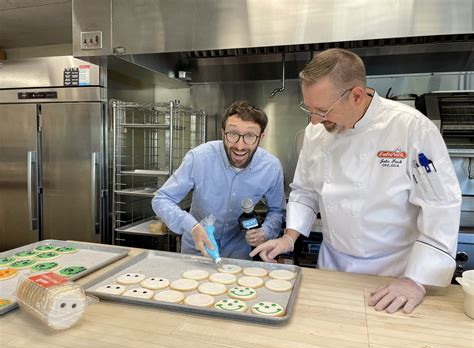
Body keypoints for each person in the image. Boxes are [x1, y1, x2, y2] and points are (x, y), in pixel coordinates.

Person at [251, 48, 461, 314]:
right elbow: (304, 191)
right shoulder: (316, 131)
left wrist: (415, 280)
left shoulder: (410, 128)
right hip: (332, 267)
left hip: (394, 275)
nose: (314, 121)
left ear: (357, 96)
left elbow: (441, 207)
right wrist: (289, 238)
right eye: (309, 109)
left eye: (322, 110)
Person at [152, 100, 286, 260]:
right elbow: (161, 199)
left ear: (261, 137)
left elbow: (277, 211)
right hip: (197, 251)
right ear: (223, 133)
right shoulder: (199, 158)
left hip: (238, 256)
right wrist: (192, 226)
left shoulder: (271, 167)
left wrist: (266, 231)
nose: (240, 146)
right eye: (233, 134)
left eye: (250, 136)